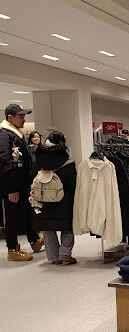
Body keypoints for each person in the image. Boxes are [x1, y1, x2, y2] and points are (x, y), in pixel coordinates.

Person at [0, 104, 43, 261]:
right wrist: (11, 189)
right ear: (10, 118)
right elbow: (5, 162)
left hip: (22, 183)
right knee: (12, 216)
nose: (24, 120)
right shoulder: (4, 136)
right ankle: (12, 248)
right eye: (20, 117)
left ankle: (34, 240)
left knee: (26, 211)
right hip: (13, 185)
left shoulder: (16, 134)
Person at [33, 131, 77, 265]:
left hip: (44, 200)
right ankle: (65, 253)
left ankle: (53, 257)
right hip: (64, 200)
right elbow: (72, 185)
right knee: (67, 227)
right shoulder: (67, 163)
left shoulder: (40, 159)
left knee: (47, 229)